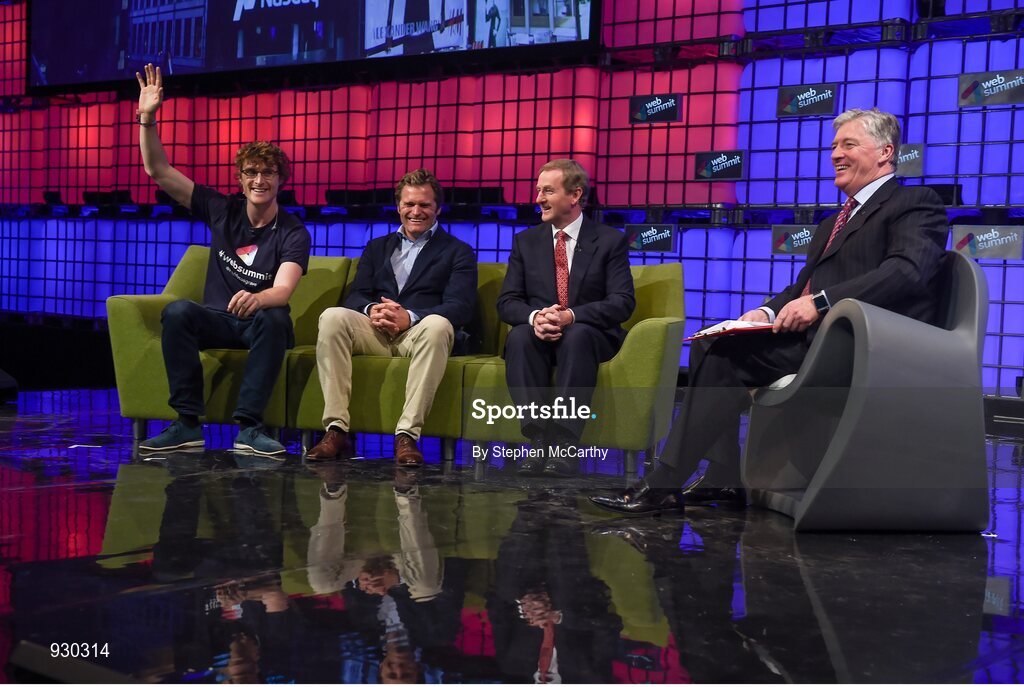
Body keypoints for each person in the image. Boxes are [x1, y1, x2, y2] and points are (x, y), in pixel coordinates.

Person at [591, 107, 950, 514]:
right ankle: (723, 479)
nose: (835, 154)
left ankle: (664, 483)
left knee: (724, 356)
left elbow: (906, 272)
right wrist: (766, 312)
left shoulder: (914, 203)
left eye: (849, 144)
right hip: (818, 339)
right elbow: (801, 288)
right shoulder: (834, 220)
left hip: (866, 344)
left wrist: (821, 303)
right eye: (834, 146)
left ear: (885, 152)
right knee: (712, 342)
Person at [134, 64, 311, 456]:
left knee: (275, 318)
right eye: (251, 173)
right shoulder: (222, 209)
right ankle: (186, 424)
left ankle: (249, 428)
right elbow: (158, 171)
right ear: (240, 179)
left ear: (280, 180)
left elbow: (283, 289)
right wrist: (147, 118)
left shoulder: (293, 231)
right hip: (218, 319)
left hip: (259, 323)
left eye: (268, 173)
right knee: (178, 312)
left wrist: (259, 298)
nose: (259, 180)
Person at [307, 169, 476, 466]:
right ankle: (336, 429)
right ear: (398, 206)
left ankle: (407, 436)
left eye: (424, 205)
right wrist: (372, 309)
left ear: (438, 208)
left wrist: (410, 317)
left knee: (438, 325)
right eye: (409, 204)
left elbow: (460, 306)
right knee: (332, 317)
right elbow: (356, 295)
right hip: (376, 331)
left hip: (419, 334)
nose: (416, 211)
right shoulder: (377, 247)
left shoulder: (458, 251)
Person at [497, 159, 635, 477]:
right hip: (540, 334)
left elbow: (622, 302)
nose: (538, 199)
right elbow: (507, 302)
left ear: (575, 195)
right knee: (519, 336)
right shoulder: (525, 242)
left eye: (547, 191)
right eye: (538, 190)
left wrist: (571, 316)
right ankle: (538, 440)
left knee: (577, 335)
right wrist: (536, 317)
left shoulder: (609, 241)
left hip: (590, 336)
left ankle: (564, 443)